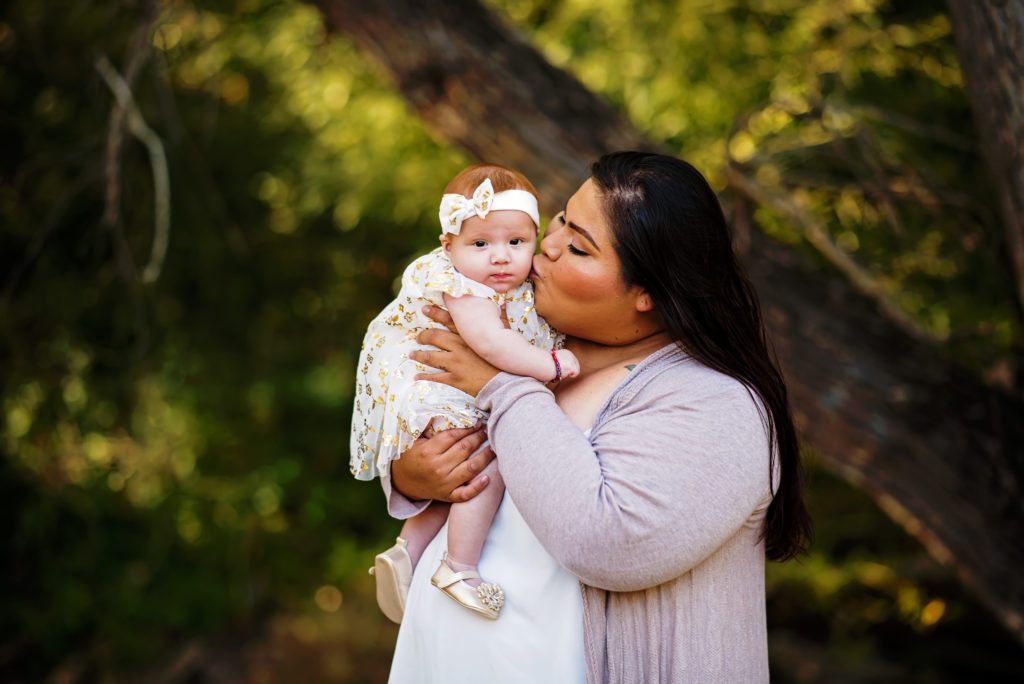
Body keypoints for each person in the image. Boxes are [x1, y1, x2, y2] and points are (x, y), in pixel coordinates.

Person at [382, 151, 812, 682]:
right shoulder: (532, 350)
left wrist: (502, 386)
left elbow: (612, 542)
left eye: (579, 247)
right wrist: (414, 475)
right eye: (560, 218)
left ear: (647, 293)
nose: (548, 245)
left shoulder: (716, 403)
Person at [351, 163, 580, 623]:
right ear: (447, 246)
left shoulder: (509, 284)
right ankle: (459, 567)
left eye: (516, 242)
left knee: (460, 472)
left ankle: (409, 549)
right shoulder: (462, 287)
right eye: (481, 244)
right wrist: (550, 365)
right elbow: (491, 343)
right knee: (489, 463)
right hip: (436, 390)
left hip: (452, 390)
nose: (500, 257)